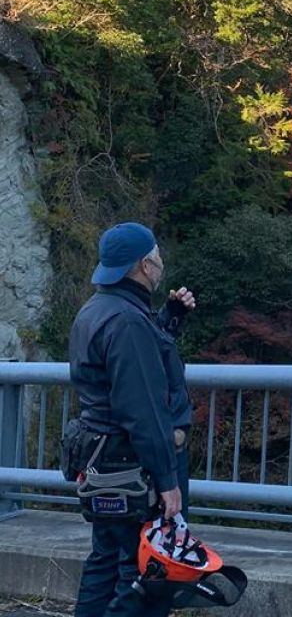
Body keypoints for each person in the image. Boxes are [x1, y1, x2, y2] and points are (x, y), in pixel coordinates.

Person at [69, 222, 195, 617]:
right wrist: (167, 479)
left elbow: (122, 375)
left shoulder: (98, 309)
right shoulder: (128, 321)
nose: (160, 263)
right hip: (135, 465)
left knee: (105, 562)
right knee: (144, 573)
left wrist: (168, 321)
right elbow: (142, 409)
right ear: (143, 265)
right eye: (156, 256)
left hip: (103, 459)